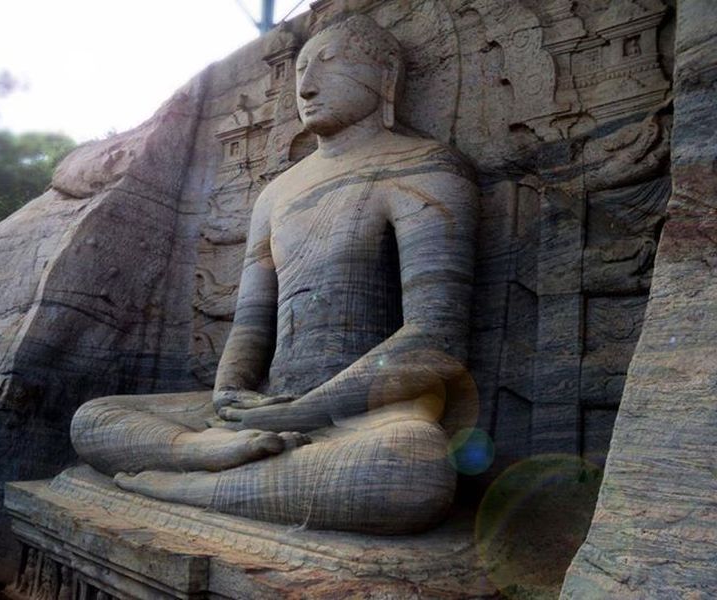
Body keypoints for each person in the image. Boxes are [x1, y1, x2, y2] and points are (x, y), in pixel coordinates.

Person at [71, 14, 478, 535]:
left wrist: (305, 412)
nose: (306, 86)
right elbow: (250, 325)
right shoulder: (276, 194)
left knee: (412, 466)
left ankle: (190, 486)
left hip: (362, 418)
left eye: (329, 66)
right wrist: (231, 395)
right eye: (301, 69)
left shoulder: (426, 168)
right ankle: (201, 453)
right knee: (95, 418)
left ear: (386, 75)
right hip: (262, 414)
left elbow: (436, 338)